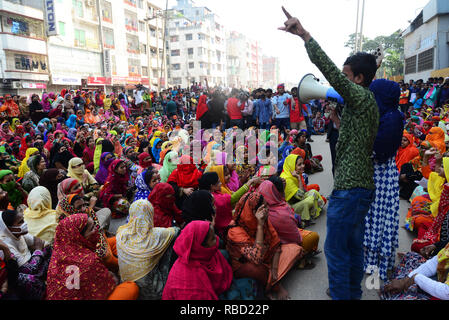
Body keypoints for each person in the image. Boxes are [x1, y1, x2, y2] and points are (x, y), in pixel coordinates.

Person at [279, 7, 378, 300]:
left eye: (346, 77)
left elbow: (329, 70)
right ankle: (350, 294)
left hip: (349, 189)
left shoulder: (358, 95)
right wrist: (338, 121)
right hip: (360, 188)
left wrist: (305, 35)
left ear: (358, 79)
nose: (339, 83)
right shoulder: (364, 102)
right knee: (351, 246)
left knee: (336, 250)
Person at [46, 214, 139, 300]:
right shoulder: (89, 260)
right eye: (91, 229)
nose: (96, 229)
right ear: (79, 237)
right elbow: (108, 285)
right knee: (131, 287)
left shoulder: (56, 255)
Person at [116, 200, 179, 300]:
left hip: (127, 285)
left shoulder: (121, 233)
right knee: (171, 241)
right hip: (152, 291)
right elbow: (176, 231)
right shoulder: (156, 235)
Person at [162, 220, 233, 300]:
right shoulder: (190, 285)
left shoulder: (205, 254)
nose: (217, 238)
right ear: (201, 247)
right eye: (213, 239)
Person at [0, 209, 52, 300]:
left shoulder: (19, 234)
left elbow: (41, 242)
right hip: (19, 276)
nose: (24, 224)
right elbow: (28, 270)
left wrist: (42, 248)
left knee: (48, 249)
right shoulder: (5, 244)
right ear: (8, 228)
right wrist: (38, 250)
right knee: (26, 279)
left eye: (23, 220)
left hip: (33, 266)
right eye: (20, 222)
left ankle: (49, 277)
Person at [280, 154, 325, 227]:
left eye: (303, 163)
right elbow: (301, 196)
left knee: (314, 191)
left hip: (297, 199)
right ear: (291, 165)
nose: (303, 166)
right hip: (290, 207)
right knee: (309, 201)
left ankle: (313, 212)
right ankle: (304, 220)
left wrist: (298, 177)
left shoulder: (291, 174)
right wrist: (298, 178)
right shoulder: (287, 179)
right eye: (299, 165)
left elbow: (303, 192)